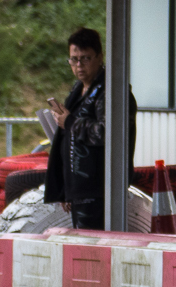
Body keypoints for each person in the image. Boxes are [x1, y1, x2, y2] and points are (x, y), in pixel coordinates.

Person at [44, 27, 137, 231]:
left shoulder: (111, 91)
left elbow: (109, 133)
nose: (79, 65)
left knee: (94, 246)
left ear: (99, 57)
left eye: (85, 59)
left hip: (101, 190)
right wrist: (65, 188)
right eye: (74, 59)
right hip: (79, 189)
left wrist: (70, 122)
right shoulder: (78, 90)